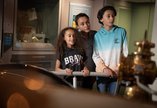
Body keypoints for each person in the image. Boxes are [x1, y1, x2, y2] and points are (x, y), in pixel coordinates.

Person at [92, 5, 128, 95]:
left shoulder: (121, 32)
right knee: (102, 100)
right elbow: (95, 55)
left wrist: (120, 67)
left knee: (113, 100)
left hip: (116, 73)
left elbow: (125, 53)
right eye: (108, 16)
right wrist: (104, 69)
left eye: (113, 16)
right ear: (101, 19)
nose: (111, 18)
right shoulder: (97, 36)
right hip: (102, 73)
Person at [75, 13, 96, 89]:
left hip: (94, 71)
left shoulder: (95, 34)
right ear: (77, 26)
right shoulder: (75, 38)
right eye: (82, 24)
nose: (86, 25)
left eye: (87, 22)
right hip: (81, 72)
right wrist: (83, 67)